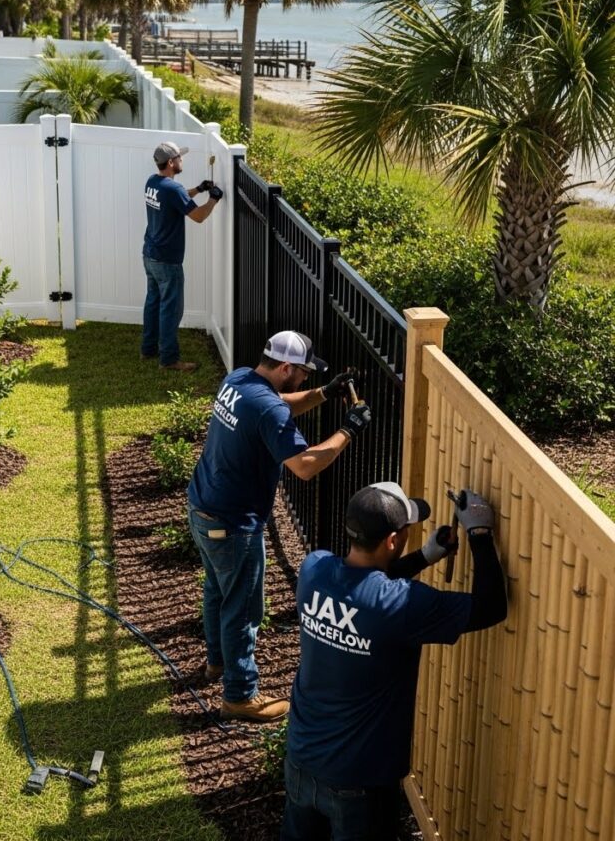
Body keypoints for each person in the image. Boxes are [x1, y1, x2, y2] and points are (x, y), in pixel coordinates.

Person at [281, 482, 508, 841]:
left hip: (301, 760)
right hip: (360, 784)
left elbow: (364, 589)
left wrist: (424, 556)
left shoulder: (314, 570)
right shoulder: (403, 606)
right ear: (391, 541)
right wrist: (479, 533)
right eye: (405, 531)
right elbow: (490, 607)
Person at [187, 330, 372, 723]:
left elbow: (277, 404)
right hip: (234, 523)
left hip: (203, 506)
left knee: (218, 590)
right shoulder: (267, 408)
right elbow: (304, 466)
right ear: (286, 367)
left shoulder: (239, 379)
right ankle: (240, 696)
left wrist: (324, 393)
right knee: (243, 609)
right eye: (304, 372)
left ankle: (217, 663)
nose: (305, 377)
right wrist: (349, 430)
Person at [141, 140, 222, 371]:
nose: (182, 160)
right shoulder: (172, 189)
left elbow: (176, 198)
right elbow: (198, 216)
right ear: (170, 162)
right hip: (167, 260)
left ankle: (148, 349)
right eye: (179, 157)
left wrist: (198, 189)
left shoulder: (152, 182)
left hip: (150, 255)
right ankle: (168, 360)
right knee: (170, 310)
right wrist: (214, 199)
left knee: (153, 303)